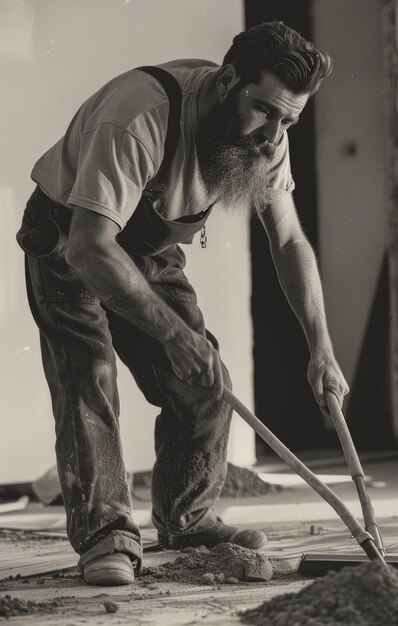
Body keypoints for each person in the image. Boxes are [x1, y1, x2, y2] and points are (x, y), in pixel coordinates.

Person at [16, 21, 349, 586]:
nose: (273, 136)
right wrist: (174, 335)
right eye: (265, 111)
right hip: (69, 240)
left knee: (205, 378)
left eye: (289, 119)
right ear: (226, 81)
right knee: (89, 380)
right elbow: (91, 248)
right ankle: (105, 537)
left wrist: (321, 346)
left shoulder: (270, 134)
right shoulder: (140, 115)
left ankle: (185, 521)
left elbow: (289, 239)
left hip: (146, 250)